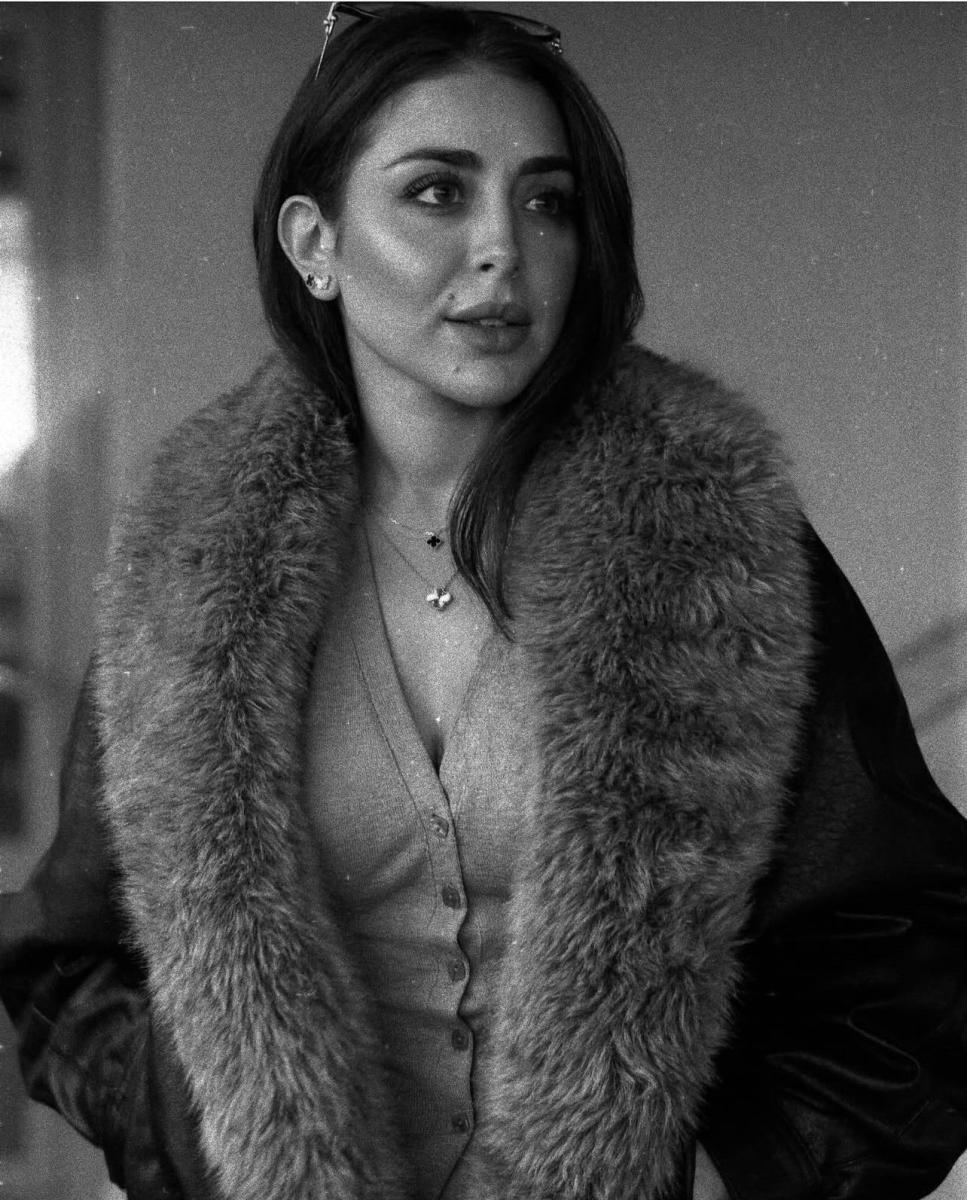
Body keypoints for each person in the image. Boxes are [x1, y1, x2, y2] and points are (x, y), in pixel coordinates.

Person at [2, 5, 966, 1199]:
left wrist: (734, 1177)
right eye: (437, 193)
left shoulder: (705, 540)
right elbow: (64, 963)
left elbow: (913, 950)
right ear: (314, 241)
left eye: (547, 201)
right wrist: (197, 1137)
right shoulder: (198, 562)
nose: (504, 248)